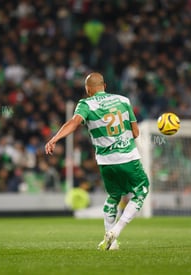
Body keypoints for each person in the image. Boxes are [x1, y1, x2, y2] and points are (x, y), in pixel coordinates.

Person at [45, 72, 150, 250]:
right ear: (105, 86)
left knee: (114, 197)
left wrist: (55, 138)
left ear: (88, 90)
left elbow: (74, 122)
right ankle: (116, 231)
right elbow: (135, 132)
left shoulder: (86, 104)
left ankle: (111, 243)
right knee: (142, 190)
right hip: (128, 157)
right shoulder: (123, 100)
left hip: (106, 162)